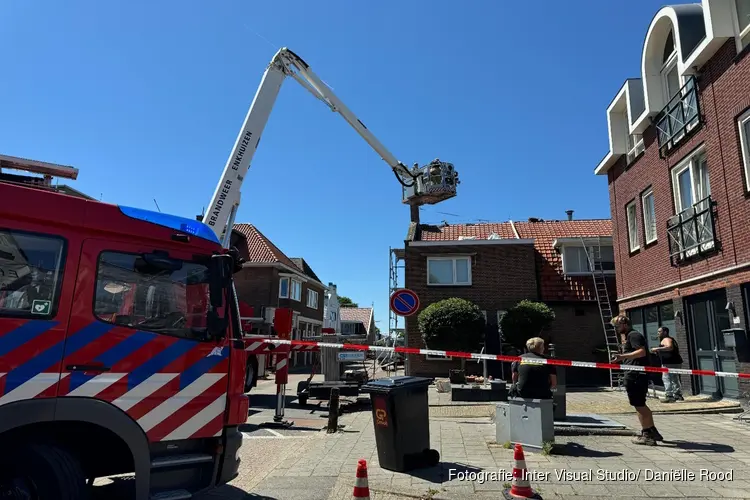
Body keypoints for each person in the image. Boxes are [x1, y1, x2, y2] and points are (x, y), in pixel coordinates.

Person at [611, 314, 663, 445]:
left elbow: (641, 352)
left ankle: (647, 435)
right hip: (636, 373)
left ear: (624, 324)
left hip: (635, 374)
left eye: (617, 326)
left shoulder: (633, 335)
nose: (616, 329)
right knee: (640, 404)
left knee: (639, 405)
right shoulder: (631, 336)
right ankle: (652, 430)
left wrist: (622, 356)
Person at [651, 326, 684, 403]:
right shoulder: (671, 339)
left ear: (665, 332)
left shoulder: (666, 339)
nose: (658, 333)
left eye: (659, 332)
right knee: (675, 379)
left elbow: (669, 347)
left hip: (669, 363)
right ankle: (678, 395)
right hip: (676, 362)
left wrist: (657, 349)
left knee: (666, 378)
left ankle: (669, 396)